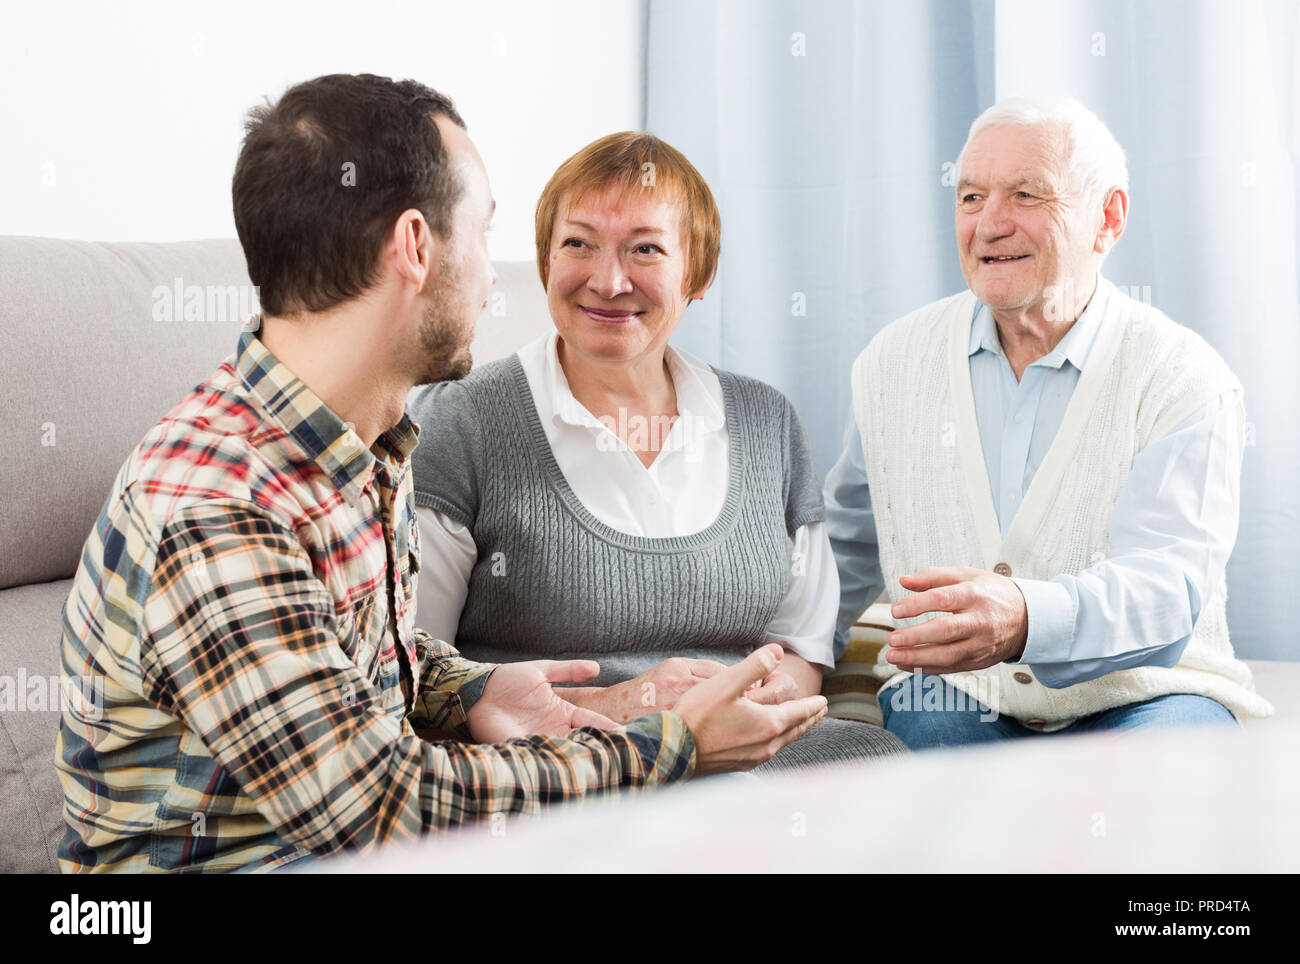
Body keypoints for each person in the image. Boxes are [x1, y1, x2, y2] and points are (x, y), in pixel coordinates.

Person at [54, 74, 830, 873]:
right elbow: (381, 806)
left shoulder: (357, 445)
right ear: (417, 248)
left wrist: (473, 690)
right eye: (482, 233)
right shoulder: (217, 506)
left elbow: (344, 663)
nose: (496, 279)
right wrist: (668, 749)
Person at [409, 132, 905, 770]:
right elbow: (414, 668)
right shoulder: (459, 420)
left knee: (883, 767)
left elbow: (803, 646)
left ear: (696, 274)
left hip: (762, 756)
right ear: (544, 263)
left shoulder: (766, 422)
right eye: (578, 244)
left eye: (645, 249)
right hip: (568, 764)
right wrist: (640, 709)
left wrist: (759, 710)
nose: (609, 281)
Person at [825, 94, 1273, 750]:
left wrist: (1026, 618)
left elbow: (1165, 590)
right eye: (971, 197)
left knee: (1163, 777)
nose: (990, 224)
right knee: (937, 764)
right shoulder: (891, 363)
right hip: (956, 687)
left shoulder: (1181, 374)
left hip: (1150, 690)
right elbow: (844, 552)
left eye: (1027, 195)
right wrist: (794, 662)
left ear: (1107, 218)